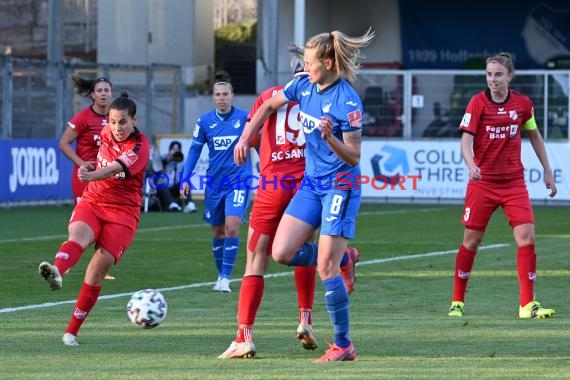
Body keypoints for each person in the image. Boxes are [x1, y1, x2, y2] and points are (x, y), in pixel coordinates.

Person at [234, 29, 374, 363]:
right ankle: (344, 258)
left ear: (327, 63)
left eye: (309, 62)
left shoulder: (348, 102)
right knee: (281, 252)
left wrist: (329, 138)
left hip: (341, 186)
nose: (304, 67)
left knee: (324, 268)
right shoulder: (302, 86)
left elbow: (354, 157)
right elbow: (269, 104)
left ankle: (344, 345)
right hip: (311, 185)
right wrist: (244, 137)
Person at [448, 52, 558, 319]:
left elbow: (534, 135)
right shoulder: (477, 103)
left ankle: (526, 305)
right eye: (489, 74)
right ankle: (457, 302)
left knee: (527, 237)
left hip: (513, 184)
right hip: (482, 184)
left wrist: (547, 170)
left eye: (498, 74)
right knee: (471, 241)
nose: (493, 79)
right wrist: (471, 164)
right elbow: (465, 141)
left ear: (510, 76)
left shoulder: (523, 104)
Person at [38, 91, 150, 346]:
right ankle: (57, 271)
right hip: (94, 201)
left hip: (123, 214)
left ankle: (71, 332)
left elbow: (114, 168)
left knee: (96, 271)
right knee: (77, 235)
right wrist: (88, 164)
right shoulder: (106, 133)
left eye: (123, 122)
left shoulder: (140, 146)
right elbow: (100, 158)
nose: (117, 127)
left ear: (134, 120)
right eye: (112, 122)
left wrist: (92, 174)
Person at [180, 71, 252, 293]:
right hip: (214, 184)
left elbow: (260, 145)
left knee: (232, 228)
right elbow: (193, 152)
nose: (222, 98)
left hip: (239, 181)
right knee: (218, 232)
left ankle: (226, 279)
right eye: (218, 95)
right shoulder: (204, 121)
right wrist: (185, 178)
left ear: (232, 95)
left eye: (225, 94)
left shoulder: (245, 119)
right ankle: (220, 275)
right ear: (213, 97)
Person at [59, 75, 112, 205]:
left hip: (107, 176)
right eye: (99, 91)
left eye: (106, 90)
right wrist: (81, 163)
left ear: (111, 94)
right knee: (84, 221)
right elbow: (63, 144)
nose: (103, 94)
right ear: (93, 95)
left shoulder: (115, 118)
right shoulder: (83, 117)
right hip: (85, 177)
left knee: (107, 220)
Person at [152, 140, 197, 212]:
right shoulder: (163, 157)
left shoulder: (182, 161)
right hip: (164, 188)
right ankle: (171, 204)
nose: (175, 151)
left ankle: (189, 204)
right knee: (161, 184)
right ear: (170, 150)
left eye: (177, 149)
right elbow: (156, 168)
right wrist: (167, 160)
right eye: (173, 149)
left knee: (186, 181)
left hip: (175, 188)